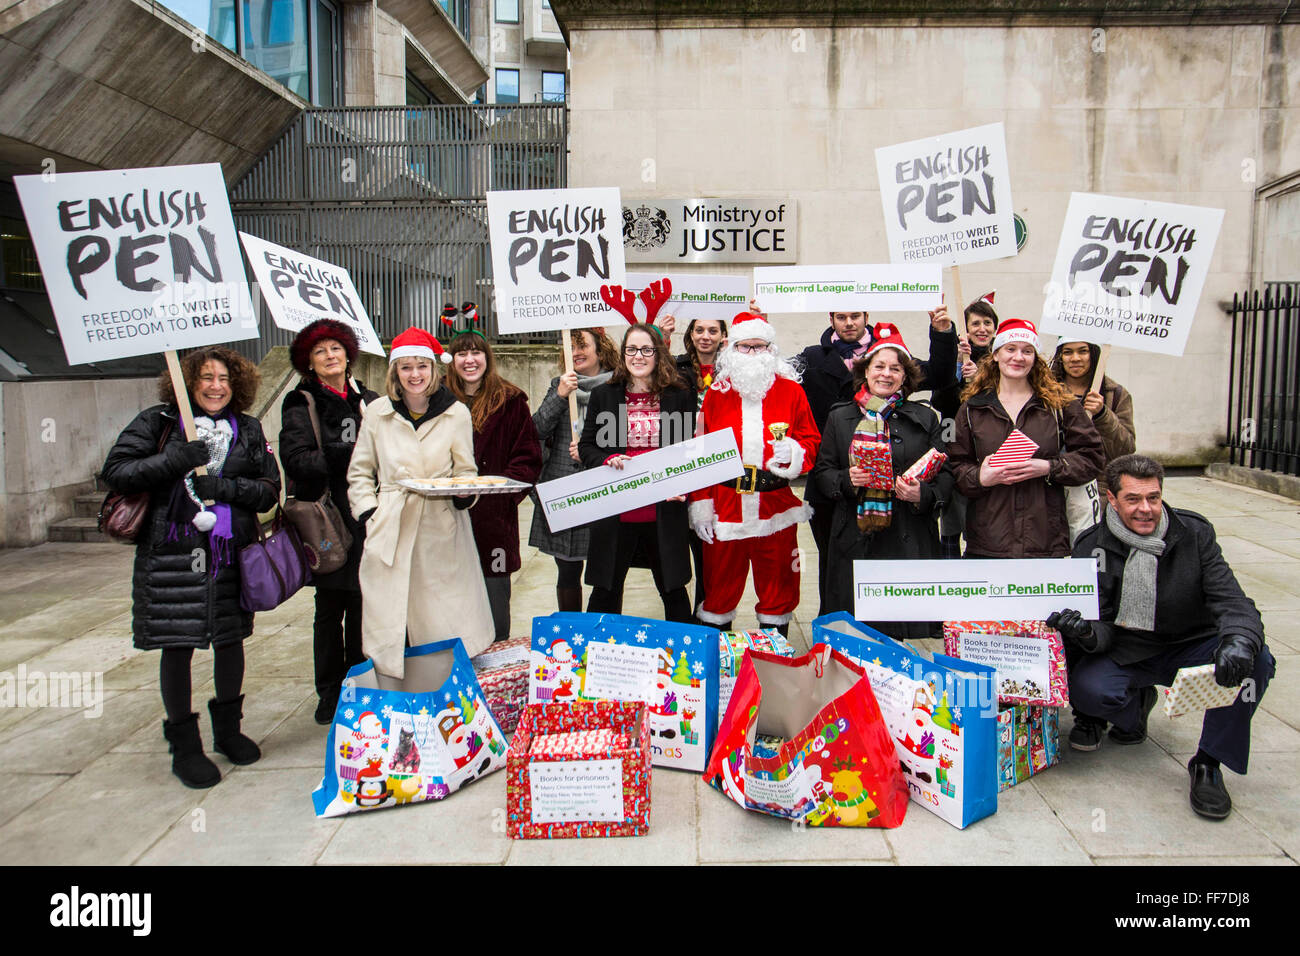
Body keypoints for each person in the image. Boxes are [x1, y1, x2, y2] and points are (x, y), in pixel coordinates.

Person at [1048, 455, 1275, 820]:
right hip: (1128, 648)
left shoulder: (1194, 534)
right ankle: (1134, 708)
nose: (1146, 509)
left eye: (1153, 497)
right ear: (1112, 499)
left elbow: (1232, 600)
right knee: (1088, 690)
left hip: (1190, 642)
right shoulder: (1092, 545)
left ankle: (1208, 763)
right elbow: (1102, 623)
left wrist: (1239, 640)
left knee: (1256, 659)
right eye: (1134, 499)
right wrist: (1088, 633)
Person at [102, 347, 280, 788]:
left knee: (230, 638)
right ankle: (185, 746)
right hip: (173, 554)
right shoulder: (159, 423)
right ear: (187, 382)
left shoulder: (249, 429)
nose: (216, 386)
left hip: (228, 552)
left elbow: (268, 490)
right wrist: (178, 459)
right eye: (206, 377)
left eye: (224, 378)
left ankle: (229, 731)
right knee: (176, 644)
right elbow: (118, 472)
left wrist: (223, 486)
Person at [347, 327, 494, 678]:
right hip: (391, 526)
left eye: (421, 367)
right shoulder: (377, 413)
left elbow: (466, 470)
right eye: (406, 367)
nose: (415, 375)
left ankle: (444, 687)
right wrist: (370, 512)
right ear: (395, 372)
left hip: (439, 528)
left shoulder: (455, 412)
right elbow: (359, 473)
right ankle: (400, 693)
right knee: (392, 617)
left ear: (434, 369)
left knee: (443, 619)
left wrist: (463, 493)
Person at [797, 303, 958, 613]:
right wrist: (846, 479)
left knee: (898, 619)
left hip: (906, 531)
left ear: (906, 376)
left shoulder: (925, 418)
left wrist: (923, 493)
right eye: (879, 367)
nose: (886, 374)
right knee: (847, 608)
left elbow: (946, 473)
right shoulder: (838, 412)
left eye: (895, 368)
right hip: (851, 526)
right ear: (865, 371)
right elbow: (825, 469)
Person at [688, 311, 820, 634]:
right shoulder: (716, 395)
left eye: (759, 347)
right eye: (745, 347)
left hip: (775, 507)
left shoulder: (792, 392)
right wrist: (701, 504)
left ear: (771, 350)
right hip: (726, 507)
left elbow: (812, 440)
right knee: (718, 592)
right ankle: (719, 662)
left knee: (779, 589)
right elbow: (701, 452)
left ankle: (773, 662)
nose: (752, 354)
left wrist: (795, 452)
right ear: (732, 349)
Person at [279, 320, 380, 724]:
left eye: (336, 348)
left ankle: (358, 683)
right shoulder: (301, 401)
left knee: (362, 606)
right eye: (320, 351)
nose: (330, 356)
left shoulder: (369, 398)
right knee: (329, 609)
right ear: (310, 362)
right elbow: (298, 460)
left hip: (366, 516)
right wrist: (350, 453)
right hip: (327, 520)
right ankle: (328, 691)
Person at [947, 318, 1106, 558]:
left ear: (1035, 358)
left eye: (1027, 351)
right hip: (988, 542)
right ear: (996, 354)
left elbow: (1093, 458)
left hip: (1045, 540)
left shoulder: (1060, 405)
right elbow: (954, 466)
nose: (1018, 357)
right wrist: (980, 476)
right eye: (1010, 349)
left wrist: (1048, 467)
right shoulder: (972, 408)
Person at [578, 323, 696, 622]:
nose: (638, 356)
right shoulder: (604, 395)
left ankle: (685, 659)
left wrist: (684, 484)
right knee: (605, 592)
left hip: (663, 510)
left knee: (674, 592)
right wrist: (607, 459)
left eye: (646, 350)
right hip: (617, 510)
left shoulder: (678, 396)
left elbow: (687, 452)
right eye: (631, 349)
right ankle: (592, 657)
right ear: (623, 354)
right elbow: (587, 447)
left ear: (658, 354)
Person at [444, 329, 543, 640]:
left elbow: (528, 459)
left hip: (494, 521)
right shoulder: (439, 402)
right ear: (452, 360)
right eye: (462, 353)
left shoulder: (511, 401)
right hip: (445, 517)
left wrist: (500, 495)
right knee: (448, 604)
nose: (470, 360)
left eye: (476, 352)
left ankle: (495, 674)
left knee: (494, 602)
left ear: (487, 357)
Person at [529, 327, 619, 612]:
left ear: (600, 349)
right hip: (565, 487)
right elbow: (537, 430)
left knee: (607, 573)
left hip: (604, 489)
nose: (577, 352)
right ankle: (571, 634)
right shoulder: (560, 383)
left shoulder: (618, 386)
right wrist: (559, 395)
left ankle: (601, 634)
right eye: (571, 346)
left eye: (583, 345)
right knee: (567, 571)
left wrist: (594, 453)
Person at [932, 291, 999, 556]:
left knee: (983, 521)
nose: (982, 329)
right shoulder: (955, 358)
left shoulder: (1002, 361)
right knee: (952, 519)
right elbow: (941, 400)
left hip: (987, 451)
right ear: (966, 329)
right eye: (975, 324)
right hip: (954, 447)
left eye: (987, 323)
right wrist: (958, 371)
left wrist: (980, 380)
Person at [671, 315, 728, 616]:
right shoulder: (675, 368)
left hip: (718, 467)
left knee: (710, 553)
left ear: (723, 335)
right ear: (690, 334)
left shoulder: (734, 368)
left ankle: (708, 614)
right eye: (699, 329)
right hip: (683, 465)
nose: (706, 336)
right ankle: (685, 618)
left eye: (713, 330)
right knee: (681, 549)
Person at [1050, 338, 1136, 498]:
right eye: (1068, 352)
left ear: (1094, 354)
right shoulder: (1043, 391)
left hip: (1097, 489)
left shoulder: (1115, 394)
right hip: (1052, 485)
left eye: (1083, 351)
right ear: (1060, 356)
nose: (1075, 358)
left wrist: (1102, 415)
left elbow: (1126, 449)